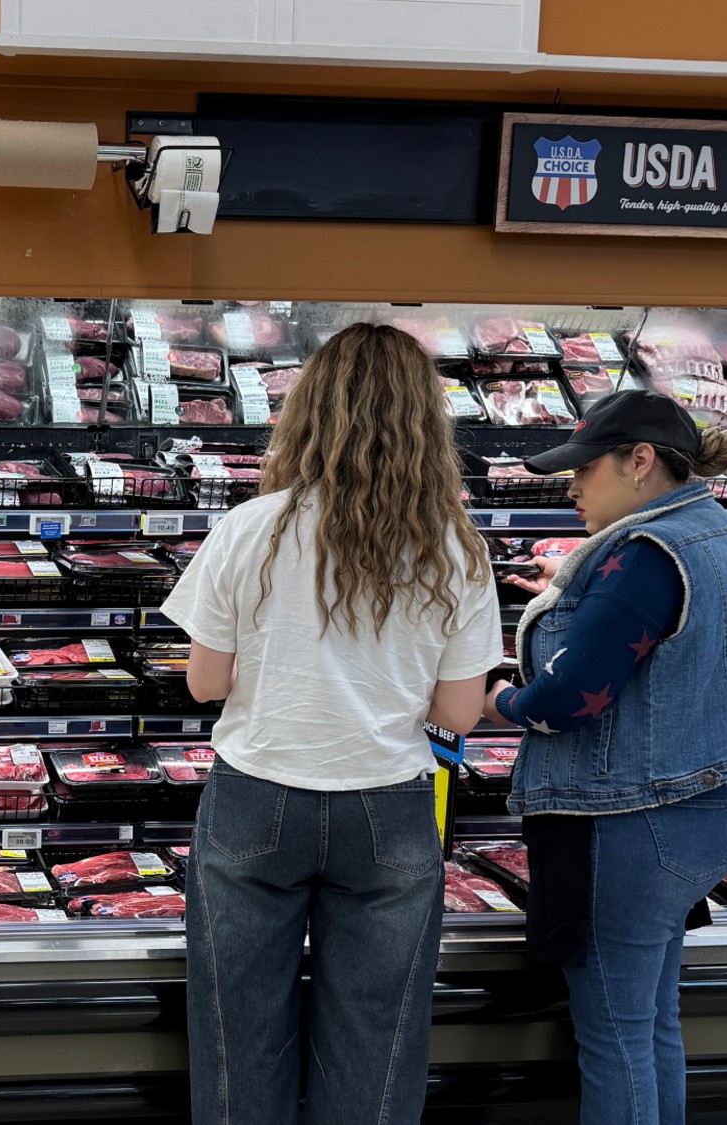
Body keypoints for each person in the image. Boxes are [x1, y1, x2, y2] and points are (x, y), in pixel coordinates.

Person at [161, 323, 503, 1125]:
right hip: (388, 805)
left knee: (238, 1032)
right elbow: (457, 712)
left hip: (256, 796)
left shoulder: (252, 526)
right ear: (427, 421)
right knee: (376, 1041)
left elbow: (206, 683)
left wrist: (287, 669)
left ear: (307, 410)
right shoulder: (455, 546)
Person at [479, 390, 727, 1125]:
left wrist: (495, 699)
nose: (572, 485)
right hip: (706, 813)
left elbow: (566, 700)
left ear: (639, 461)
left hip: (629, 825)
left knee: (613, 1038)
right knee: (651, 1024)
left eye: (585, 468)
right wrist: (579, 607)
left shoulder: (648, 555)